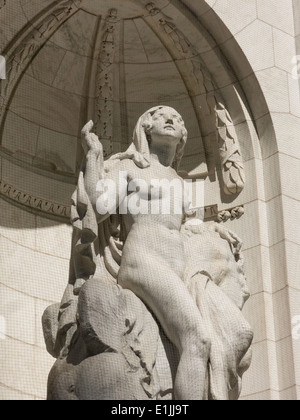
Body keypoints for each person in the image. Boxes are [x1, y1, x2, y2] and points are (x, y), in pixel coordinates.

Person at [81, 106, 211, 400]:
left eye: (177, 118)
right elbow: (98, 207)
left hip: (178, 265)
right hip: (145, 257)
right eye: (160, 115)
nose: (170, 119)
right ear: (145, 128)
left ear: (183, 137)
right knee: (198, 338)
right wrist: (93, 156)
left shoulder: (180, 182)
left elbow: (188, 230)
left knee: (214, 338)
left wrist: (216, 233)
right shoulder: (129, 168)